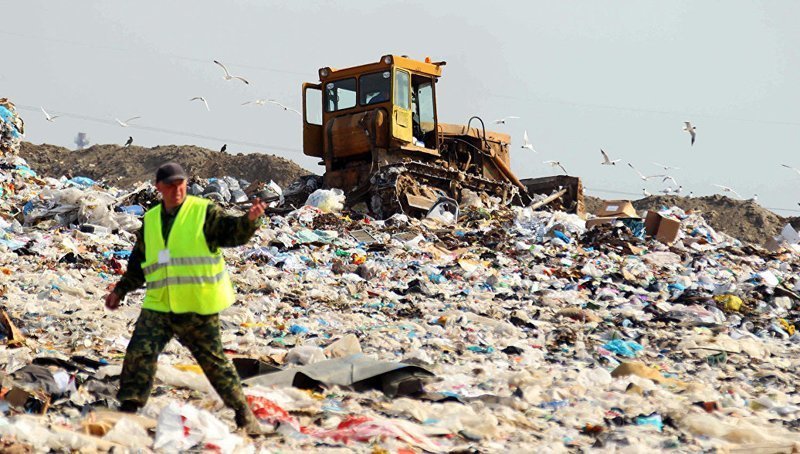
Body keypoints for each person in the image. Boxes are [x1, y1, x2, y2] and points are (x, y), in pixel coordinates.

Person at [103, 162, 270, 434]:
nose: (177, 189)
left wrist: (250, 221)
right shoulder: (152, 220)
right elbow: (139, 263)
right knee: (139, 353)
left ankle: (243, 414)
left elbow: (231, 233)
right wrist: (120, 291)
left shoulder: (203, 212)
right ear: (159, 187)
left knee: (213, 362)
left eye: (181, 183)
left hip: (196, 306)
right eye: (170, 184)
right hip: (160, 305)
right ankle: (129, 409)